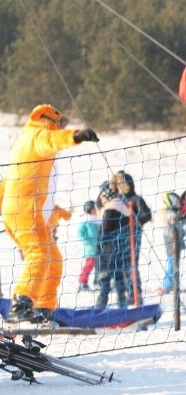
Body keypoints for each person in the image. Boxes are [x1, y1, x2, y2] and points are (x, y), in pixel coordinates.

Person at [0, 104, 99, 323]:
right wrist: (76, 135)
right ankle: (21, 302)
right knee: (39, 254)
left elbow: (13, 182)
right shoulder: (36, 134)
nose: (57, 129)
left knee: (53, 258)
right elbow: (52, 140)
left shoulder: (30, 145)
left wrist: (55, 213)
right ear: (48, 121)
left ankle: (44, 307)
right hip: (24, 209)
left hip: (24, 209)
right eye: (57, 125)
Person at [112, 171, 151, 303]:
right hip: (118, 236)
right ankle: (124, 293)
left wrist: (133, 222)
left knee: (131, 264)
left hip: (133, 235)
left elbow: (147, 215)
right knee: (120, 265)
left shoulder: (136, 199)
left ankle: (135, 294)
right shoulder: (116, 199)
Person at [95, 182, 132, 310]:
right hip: (121, 247)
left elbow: (104, 231)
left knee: (105, 278)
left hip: (109, 250)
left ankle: (100, 306)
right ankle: (122, 304)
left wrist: (99, 248)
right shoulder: (122, 207)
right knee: (119, 277)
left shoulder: (110, 210)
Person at [157, 192, 186, 295]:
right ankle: (168, 285)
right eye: (177, 202)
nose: (179, 204)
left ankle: (174, 284)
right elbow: (172, 230)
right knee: (172, 264)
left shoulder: (174, 213)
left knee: (175, 264)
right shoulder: (169, 214)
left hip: (175, 242)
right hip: (172, 243)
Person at [76, 200, 100, 291]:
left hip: (99, 247)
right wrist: (86, 242)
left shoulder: (98, 219)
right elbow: (80, 233)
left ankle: (98, 282)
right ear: (90, 210)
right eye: (94, 208)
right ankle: (82, 283)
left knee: (100, 266)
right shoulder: (85, 220)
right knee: (89, 265)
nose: (95, 210)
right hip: (90, 248)